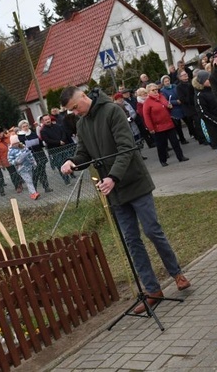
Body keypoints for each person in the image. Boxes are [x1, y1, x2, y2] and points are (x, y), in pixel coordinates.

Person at [59, 86, 191, 313]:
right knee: (131, 240)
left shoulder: (112, 110)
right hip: (115, 193)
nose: (75, 113)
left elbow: (126, 147)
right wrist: (73, 162)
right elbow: (84, 154)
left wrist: (113, 177)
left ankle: (176, 273)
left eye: (75, 107)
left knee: (152, 230)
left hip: (134, 183)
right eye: (70, 111)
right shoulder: (82, 124)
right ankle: (152, 290)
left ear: (83, 96)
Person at [142, 83, 188, 167]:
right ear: (148, 92)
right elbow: (146, 116)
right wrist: (150, 128)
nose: (156, 91)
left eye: (156, 89)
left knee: (175, 142)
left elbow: (166, 105)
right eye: (153, 90)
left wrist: (169, 106)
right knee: (161, 145)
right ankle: (163, 160)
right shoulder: (147, 102)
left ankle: (180, 156)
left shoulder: (161, 97)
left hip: (169, 123)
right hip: (158, 127)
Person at [17, 119, 52, 193]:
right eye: (24, 126)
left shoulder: (32, 133)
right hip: (30, 157)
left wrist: (41, 143)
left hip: (39, 153)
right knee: (34, 174)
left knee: (43, 172)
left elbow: (39, 142)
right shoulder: (20, 137)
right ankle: (34, 191)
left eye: (26, 126)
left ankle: (46, 187)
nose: (26, 127)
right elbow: (20, 147)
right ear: (21, 128)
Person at [40, 114, 73, 185]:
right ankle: (66, 180)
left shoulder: (57, 126)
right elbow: (47, 140)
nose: (47, 121)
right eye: (45, 120)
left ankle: (71, 173)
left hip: (64, 147)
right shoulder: (43, 131)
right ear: (43, 121)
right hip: (55, 150)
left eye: (48, 119)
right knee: (60, 165)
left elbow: (63, 133)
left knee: (67, 161)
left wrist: (63, 140)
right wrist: (59, 142)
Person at [8, 134, 40, 200]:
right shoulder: (11, 151)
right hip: (21, 168)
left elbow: (30, 154)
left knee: (30, 179)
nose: (16, 144)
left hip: (28, 165)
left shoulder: (23, 147)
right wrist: (16, 162)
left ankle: (32, 194)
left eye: (17, 143)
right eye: (14, 143)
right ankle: (34, 193)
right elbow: (10, 160)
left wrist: (33, 161)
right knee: (28, 180)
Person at [159, 75, 189, 144]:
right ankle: (182, 139)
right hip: (174, 109)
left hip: (182, 107)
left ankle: (193, 134)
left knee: (188, 121)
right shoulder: (163, 91)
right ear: (163, 83)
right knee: (178, 126)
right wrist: (176, 102)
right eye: (165, 81)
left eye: (168, 80)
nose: (167, 82)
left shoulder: (175, 86)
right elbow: (166, 101)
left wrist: (181, 99)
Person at [0, 127, 23, 193]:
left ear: (3, 132)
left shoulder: (9, 137)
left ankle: (20, 182)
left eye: (0, 133)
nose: (0, 135)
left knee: (18, 171)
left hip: (15, 157)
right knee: (12, 173)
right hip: (6, 161)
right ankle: (17, 186)